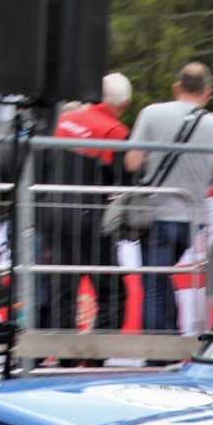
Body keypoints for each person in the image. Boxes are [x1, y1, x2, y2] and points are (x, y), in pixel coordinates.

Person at [124, 62, 213, 332]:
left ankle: (156, 350)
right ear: (207, 92)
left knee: (153, 286)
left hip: (156, 215)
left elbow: (132, 162)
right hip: (192, 220)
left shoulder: (152, 113)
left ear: (176, 87)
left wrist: (153, 159)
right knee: (163, 281)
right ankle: (171, 335)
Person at [36, 72, 133, 335]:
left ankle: (64, 353)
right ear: (125, 105)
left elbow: (41, 164)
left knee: (62, 290)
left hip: (52, 215)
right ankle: (97, 352)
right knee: (112, 293)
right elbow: (125, 180)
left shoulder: (63, 120)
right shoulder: (115, 131)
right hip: (88, 219)